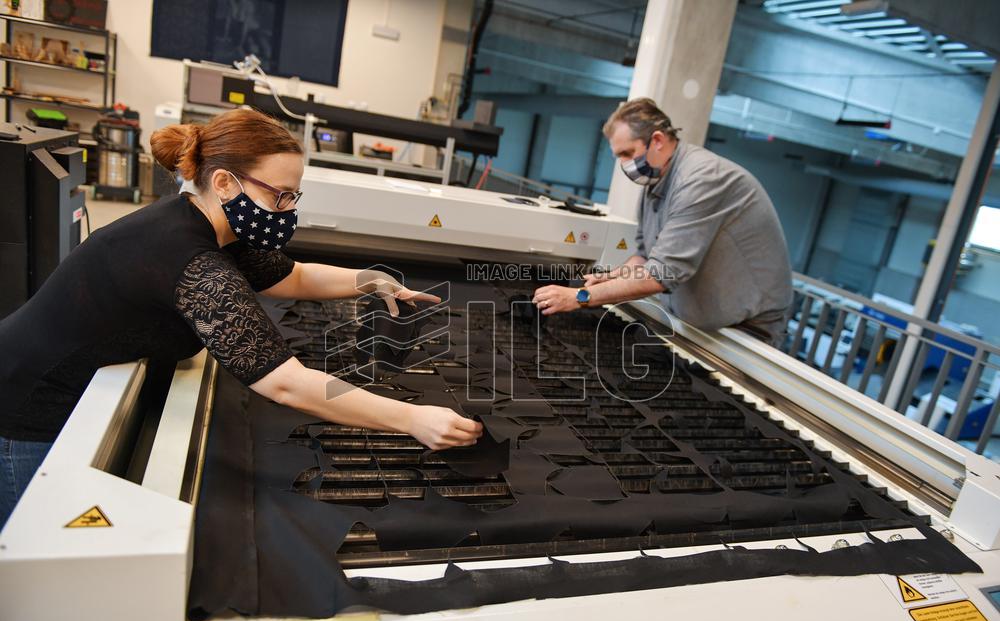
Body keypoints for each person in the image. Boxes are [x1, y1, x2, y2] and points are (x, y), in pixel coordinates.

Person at [0, 108, 481, 528]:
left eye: (294, 197)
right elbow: (285, 383)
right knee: (30, 553)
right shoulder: (188, 258)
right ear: (225, 182)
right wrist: (413, 418)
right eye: (280, 196)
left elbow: (294, 276)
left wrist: (372, 280)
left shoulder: (211, 224)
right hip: (28, 406)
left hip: (45, 380)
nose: (287, 210)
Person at [532, 97, 793, 345]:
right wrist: (612, 278)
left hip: (745, 330)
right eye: (619, 156)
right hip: (698, 324)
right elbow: (645, 257)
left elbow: (660, 275)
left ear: (657, 140)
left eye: (627, 153)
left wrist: (580, 297)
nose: (624, 164)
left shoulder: (701, 180)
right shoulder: (655, 183)